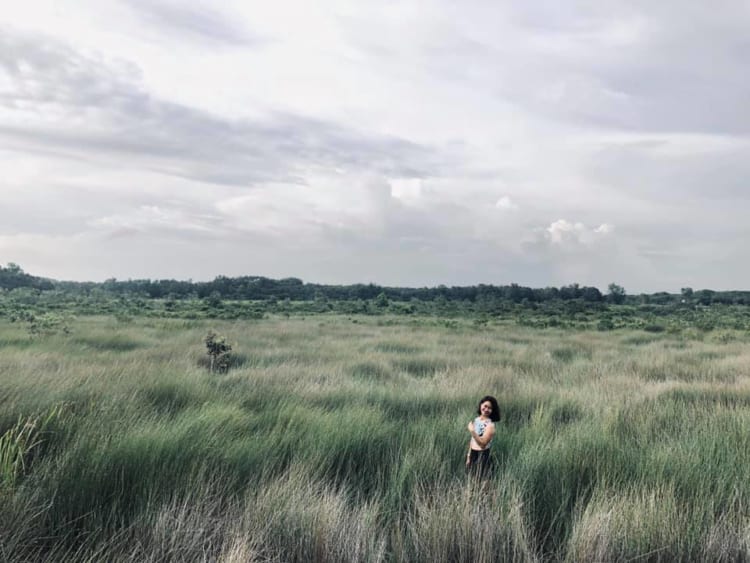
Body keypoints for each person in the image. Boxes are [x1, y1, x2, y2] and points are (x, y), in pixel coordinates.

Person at [465, 395, 499, 478]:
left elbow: (483, 444)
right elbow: (472, 440)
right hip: (473, 453)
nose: (486, 409)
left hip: (483, 455)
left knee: (482, 479)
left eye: (490, 408)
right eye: (485, 406)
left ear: (492, 411)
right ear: (481, 405)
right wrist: (469, 456)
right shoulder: (477, 420)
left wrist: (472, 431)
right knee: (471, 478)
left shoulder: (490, 425)